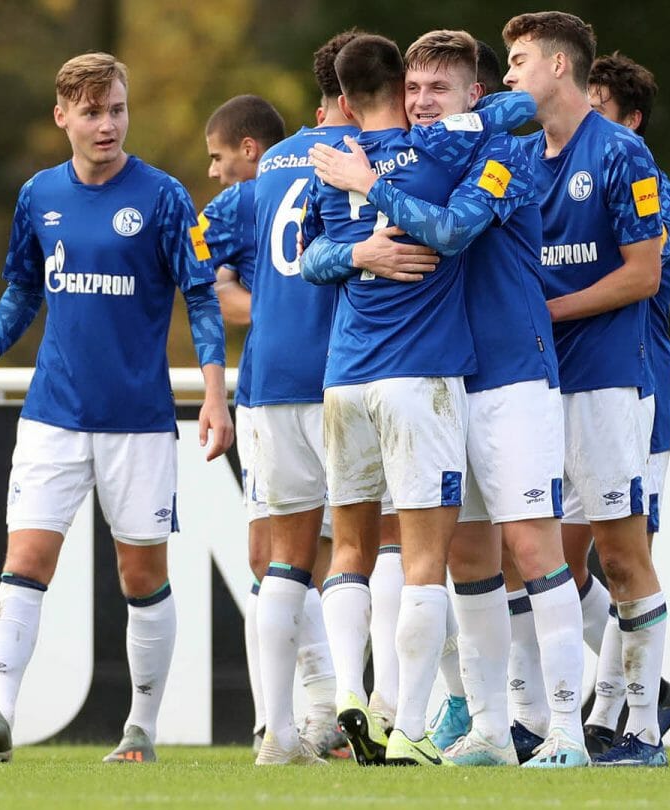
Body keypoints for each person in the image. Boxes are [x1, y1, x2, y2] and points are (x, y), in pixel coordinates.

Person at [307, 29, 587, 767]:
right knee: (470, 561)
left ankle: (567, 730)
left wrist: (369, 184)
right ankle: (491, 728)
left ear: (474, 95)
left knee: (533, 549)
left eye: (441, 88)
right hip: (448, 381)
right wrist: (359, 238)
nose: (423, 101)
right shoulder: (425, 151)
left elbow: (455, 230)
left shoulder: (500, 154)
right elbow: (320, 254)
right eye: (415, 88)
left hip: (514, 377)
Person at [0, 52, 233, 765]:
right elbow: (23, 287)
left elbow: (199, 295)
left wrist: (215, 394)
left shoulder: (165, 197)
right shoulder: (39, 195)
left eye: (117, 109)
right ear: (62, 116)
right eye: (92, 111)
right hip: (52, 414)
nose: (107, 124)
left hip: (137, 420)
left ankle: (140, 728)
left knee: (142, 575)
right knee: (26, 559)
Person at [502, 11, 670, 766]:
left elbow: (642, 272)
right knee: (538, 559)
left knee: (623, 556)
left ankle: (641, 729)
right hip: (537, 385)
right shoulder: (522, 157)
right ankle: (538, 720)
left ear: (559, 67)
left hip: (605, 381)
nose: (508, 75)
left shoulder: (621, 153)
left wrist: (550, 309)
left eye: (518, 60)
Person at [197, 94, 334, 754]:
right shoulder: (260, 194)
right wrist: (254, 303)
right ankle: (306, 714)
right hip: (274, 389)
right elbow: (199, 270)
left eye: (220, 157)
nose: (216, 172)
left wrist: (255, 305)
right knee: (275, 557)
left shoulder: (271, 184)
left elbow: (191, 257)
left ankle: (331, 709)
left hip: (318, 383)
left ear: (250, 149)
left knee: (335, 556)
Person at [246, 30, 367, 766]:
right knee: (379, 551)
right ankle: (378, 714)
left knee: (284, 561)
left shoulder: (270, 163)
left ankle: (279, 733)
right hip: (344, 372)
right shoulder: (363, 157)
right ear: (356, 94)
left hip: (266, 380)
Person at [581, 51, 670, 754]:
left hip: (636, 386)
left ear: (632, 120)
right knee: (560, 560)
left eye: (601, 106)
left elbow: (638, 281)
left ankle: (630, 716)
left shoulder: (653, 191)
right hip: (574, 383)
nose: (586, 117)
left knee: (625, 557)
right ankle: (607, 705)